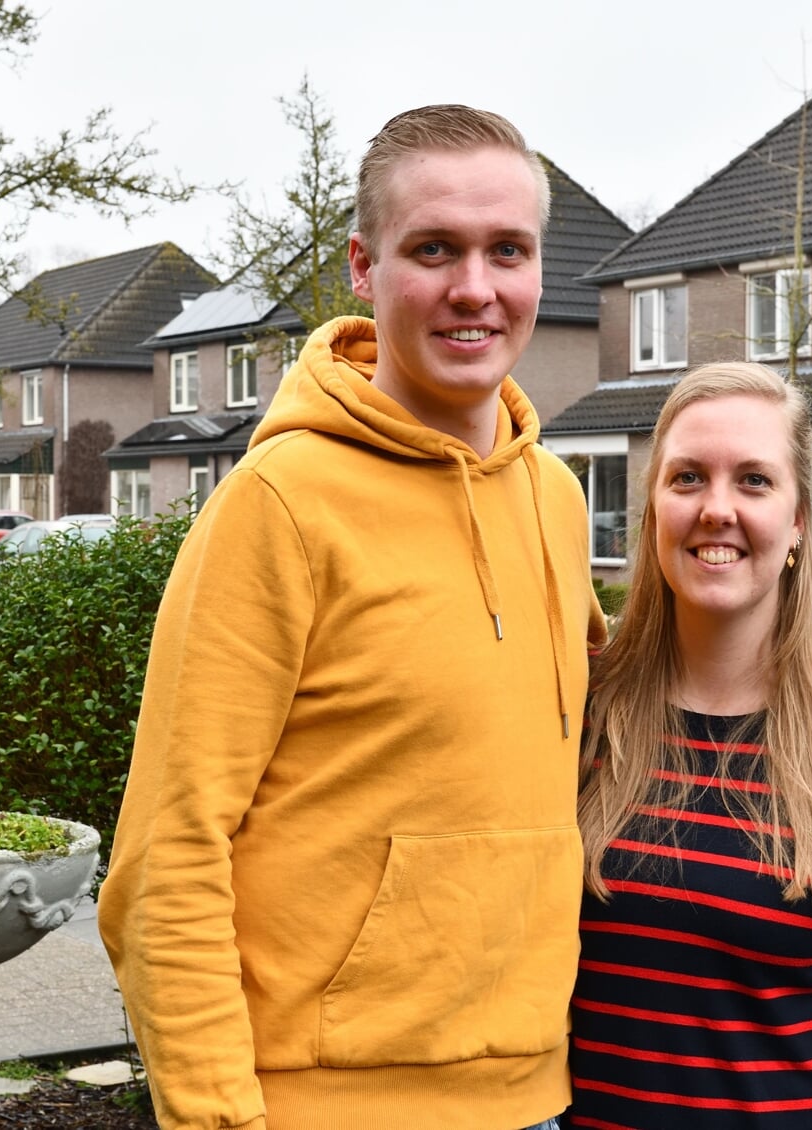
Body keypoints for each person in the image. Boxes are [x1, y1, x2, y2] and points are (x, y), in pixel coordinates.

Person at [99, 105, 604, 1130]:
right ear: (366, 269)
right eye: (434, 250)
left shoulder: (553, 493)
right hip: (322, 1104)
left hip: (536, 1093)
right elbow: (168, 850)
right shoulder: (278, 504)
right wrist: (213, 1113)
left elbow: (620, 718)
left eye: (507, 249)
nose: (476, 287)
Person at [566, 362, 812, 1129]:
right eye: (687, 478)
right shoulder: (573, 712)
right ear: (652, 512)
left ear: (797, 523)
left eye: (753, 481)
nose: (717, 508)